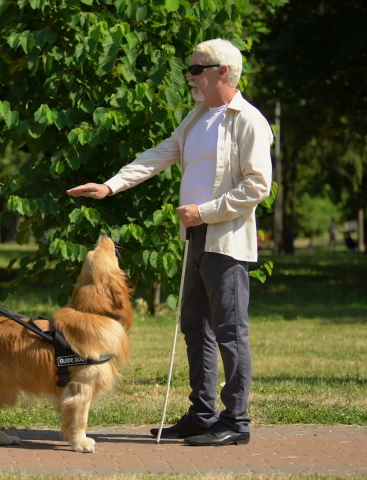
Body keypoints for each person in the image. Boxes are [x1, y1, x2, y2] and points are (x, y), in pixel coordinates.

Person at [67, 39, 273, 447]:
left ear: (223, 72)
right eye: (190, 68)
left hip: (226, 239)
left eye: (197, 69)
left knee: (230, 331)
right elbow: (161, 153)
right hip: (196, 237)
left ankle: (237, 421)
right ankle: (202, 414)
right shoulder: (198, 116)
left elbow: (257, 186)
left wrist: (205, 211)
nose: (190, 76)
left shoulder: (248, 120)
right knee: (195, 326)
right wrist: (111, 186)